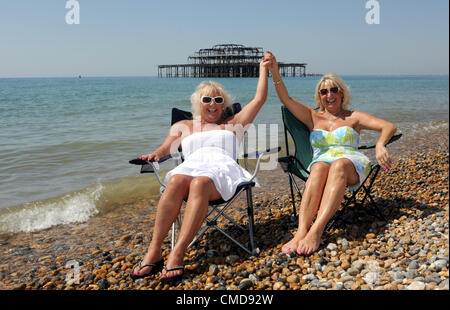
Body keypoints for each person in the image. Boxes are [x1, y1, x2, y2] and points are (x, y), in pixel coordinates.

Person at [131, 55, 270, 284]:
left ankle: (178, 252)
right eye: (207, 99)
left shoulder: (234, 123)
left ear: (223, 104)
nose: (213, 103)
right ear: (199, 102)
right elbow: (165, 148)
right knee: (175, 181)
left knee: (201, 182)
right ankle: (154, 252)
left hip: (222, 170)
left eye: (218, 99)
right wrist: (153, 155)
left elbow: (260, 98)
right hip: (190, 168)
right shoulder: (183, 126)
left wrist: (264, 69)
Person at [263, 52, 397, 256]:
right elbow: (286, 99)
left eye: (333, 90)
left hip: (350, 164)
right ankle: (301, 232)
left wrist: (380, 145)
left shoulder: (354, 117)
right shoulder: (312, 117)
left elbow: (389, 126)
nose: (329, 95)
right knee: (317, 168)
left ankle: (317, 230)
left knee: (339, 165)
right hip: (321, 163)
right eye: (324, 91)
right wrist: (274, 71)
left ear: (341, 93)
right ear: (320, 96)